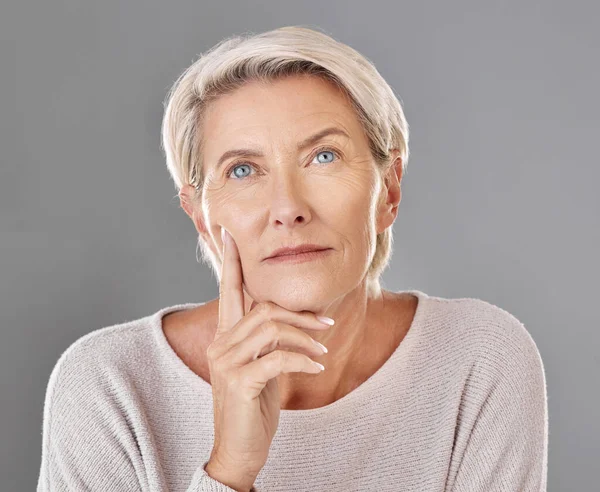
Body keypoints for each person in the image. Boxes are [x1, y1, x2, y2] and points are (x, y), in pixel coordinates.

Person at [36, 26, 548, 491]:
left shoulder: (479, 360)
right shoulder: (110, 386)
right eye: (242, 170)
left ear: (388, 191)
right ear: (200, 217)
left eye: (323, 156)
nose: (288, 209)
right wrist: (229, 470)